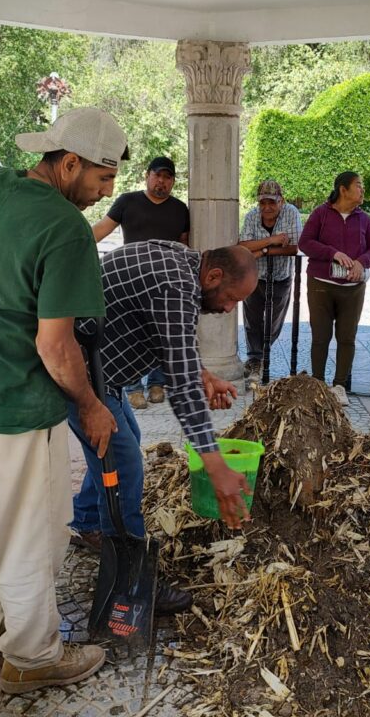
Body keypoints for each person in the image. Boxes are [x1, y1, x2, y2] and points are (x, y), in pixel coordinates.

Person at [0, 108, 126, 694]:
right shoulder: (65, 228)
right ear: (69, 163)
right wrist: (91, 405)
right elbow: (55, 345)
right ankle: (32, 656)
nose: (105, 194)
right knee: (27, 535)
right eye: (102, 178)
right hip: (17, 406)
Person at [66, 242, 258, 613]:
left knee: (127, 440)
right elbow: (182, 388)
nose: (228, 309)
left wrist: (201, 373)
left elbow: (173, 343)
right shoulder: (175, 284)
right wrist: (215, 464)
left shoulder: (183, 264)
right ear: (213, 276)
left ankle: (88, 521)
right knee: (125, 465)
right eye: (232, 298)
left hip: (103, 372)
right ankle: (130, 578)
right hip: (83, 377)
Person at [90, 155, 190, 409]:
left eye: (167, 177)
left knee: (160, 333)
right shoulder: (127, 201)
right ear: (147, 176)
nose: (162, 181)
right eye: (157, 175)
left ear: (173, 182)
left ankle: (158, 383)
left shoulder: (180, 209)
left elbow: (185, 246)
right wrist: (71, 244)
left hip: (164, 285)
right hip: (130, 282)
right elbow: (100, 230)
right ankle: (133, 387)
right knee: (130, 333)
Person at [298, 171, 370, 406]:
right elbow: (305, 242)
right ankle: (317, 385)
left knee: (347, 337)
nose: (362, 190)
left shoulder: (364, 219)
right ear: (343, 190)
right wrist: (332, 253)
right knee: (320, 336)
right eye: (358, 185)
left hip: (353, 289)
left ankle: (340, 386)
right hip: (321, 286)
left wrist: (361, 262)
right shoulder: (321, 213)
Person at [238, 179, 301, 379]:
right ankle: (256, 359)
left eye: (272, 202)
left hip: (280, 276)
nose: (267, 207)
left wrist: (262, 250)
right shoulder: (252, 216)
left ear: (281, 201)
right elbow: (243, 246)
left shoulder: (291, 213)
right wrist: (272, 241)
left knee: (274, 321)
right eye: (262, 202)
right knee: (252, 319)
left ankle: (260, 354)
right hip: (254, 275)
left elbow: (295, 247)